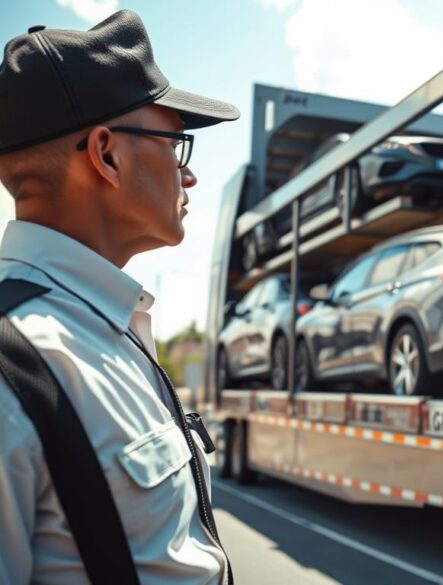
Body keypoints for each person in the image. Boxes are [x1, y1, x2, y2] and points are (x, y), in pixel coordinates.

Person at [0, 9, 239, 584]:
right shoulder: (15, 364)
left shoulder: (108, 325)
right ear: (107, 155)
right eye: (176, 143)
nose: (189, 176)